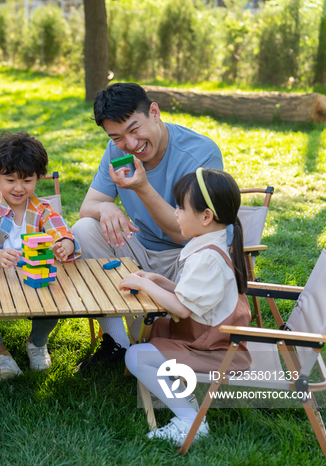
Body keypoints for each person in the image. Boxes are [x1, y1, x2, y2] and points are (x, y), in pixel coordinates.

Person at [72, 82, 227, 372]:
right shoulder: (115, 150)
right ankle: (117, 341)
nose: (130, 145)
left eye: (134, 130)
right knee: (83, 229)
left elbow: (187, 233)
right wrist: (106, 206)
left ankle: (154, 339)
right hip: (141, 250)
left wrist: (142, 187)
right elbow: (87, 207)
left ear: (154, 112)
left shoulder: (200, 155)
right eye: (117, 137)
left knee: (192, 273)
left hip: (189, 258)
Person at [119, 168, 251, 446]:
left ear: (206, 217)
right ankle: (184, 398)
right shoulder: (206, 247)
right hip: (205, 337)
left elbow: (181, 309)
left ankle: (191, 420)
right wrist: (159, 280)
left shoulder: (207, 258)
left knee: (136, 356)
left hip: (216, 349)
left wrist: (146, 286)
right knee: (141, 331)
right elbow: (191, 295)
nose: (175, 213)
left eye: (180, 207)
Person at [0, 131, 81, 382]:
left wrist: (65, 245)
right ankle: (1, 354)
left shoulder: (42, 209)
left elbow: (63, 233)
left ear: (38, 178)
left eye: (27, 181)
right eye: (10, 180)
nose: (19, 188)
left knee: (61, 292)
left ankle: (36, 343)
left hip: (35, 278)